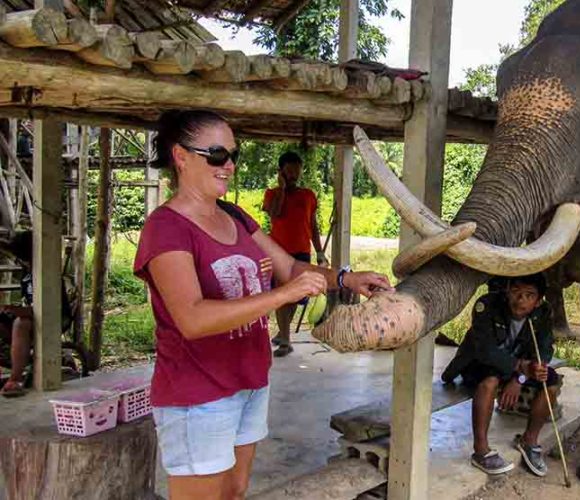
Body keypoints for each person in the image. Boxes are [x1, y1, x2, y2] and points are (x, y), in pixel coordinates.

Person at [135, 110, 392, 500]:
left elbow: (288, 266)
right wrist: (280, 296)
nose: (230, 166)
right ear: (181, 156)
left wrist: (345, 279)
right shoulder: (165, 228)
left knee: (234, 493)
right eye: (217, 155)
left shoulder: (235, 216)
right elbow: (191, 318)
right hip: (198, 393)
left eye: (233, 155)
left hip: (249, 381)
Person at [441, 273, 559, 477]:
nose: (520, 300)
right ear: (507, 291)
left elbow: (545, 349)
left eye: (529, 295)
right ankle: (481, 451)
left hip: (516, 369)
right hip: (477, 364)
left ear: (538, 301)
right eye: (515, 292)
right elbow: (486, 351)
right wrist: (520, 367)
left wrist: (520, 379)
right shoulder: (486, 305)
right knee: (491, 380)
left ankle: (529, 441)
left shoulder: (543, 313)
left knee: (551, 380)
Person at [262, 151, 327, 357]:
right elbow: (274, 213)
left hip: (302, 253)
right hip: (279, 252)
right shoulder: (271, 194)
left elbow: (313, 226)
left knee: (296, 297)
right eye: (289, 171)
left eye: (296, 171)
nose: (293, 176)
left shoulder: (308, 195)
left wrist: (320, 252)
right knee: (283, 297)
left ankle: (283, 333)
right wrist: (281, 189)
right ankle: (286, 342)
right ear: (281, 171)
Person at [0, 231, 73, 397]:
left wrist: (20, 311)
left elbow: (48, 309)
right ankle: (17, 355)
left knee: (21, 323)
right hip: (34, 315)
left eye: (20, 257)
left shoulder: (47, 275)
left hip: (54, 318)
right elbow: (29, 303)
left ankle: (15, 379)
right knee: (16, 320)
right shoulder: (27, 274)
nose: (18, 261)